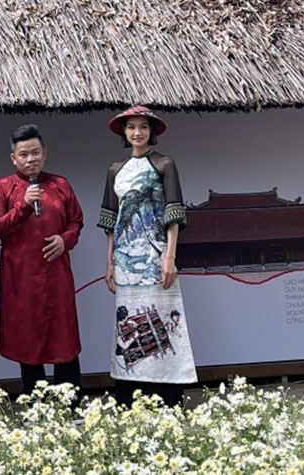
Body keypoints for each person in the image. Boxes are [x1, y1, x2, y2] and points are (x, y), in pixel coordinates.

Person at [98, 106, 197, 407]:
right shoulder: (115, 170)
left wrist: (170, 257)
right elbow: (110, 221)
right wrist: (110, 262)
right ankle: (131, 397)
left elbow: (173, 214)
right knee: (128, 322)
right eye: (131, 127)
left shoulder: (164, 164)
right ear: (124, 133)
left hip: (156, 260)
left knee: (163, 319)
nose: (137, 132)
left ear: (152, 132)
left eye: (143, 127)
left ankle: (169, 395)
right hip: (125, 261)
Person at [0, 124, 84, 395]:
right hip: (21, 279)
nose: (31, 159)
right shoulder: (3, 188)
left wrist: (65, 240)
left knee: (63, 339)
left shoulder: (60, 184)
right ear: (13, 158)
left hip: (57, 277)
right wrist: (24, 206)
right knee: (28, 344)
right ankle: (37, 408)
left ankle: (70, 404)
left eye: (36, 153)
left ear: (45, 154)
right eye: (24, 154)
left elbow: (77, 221)